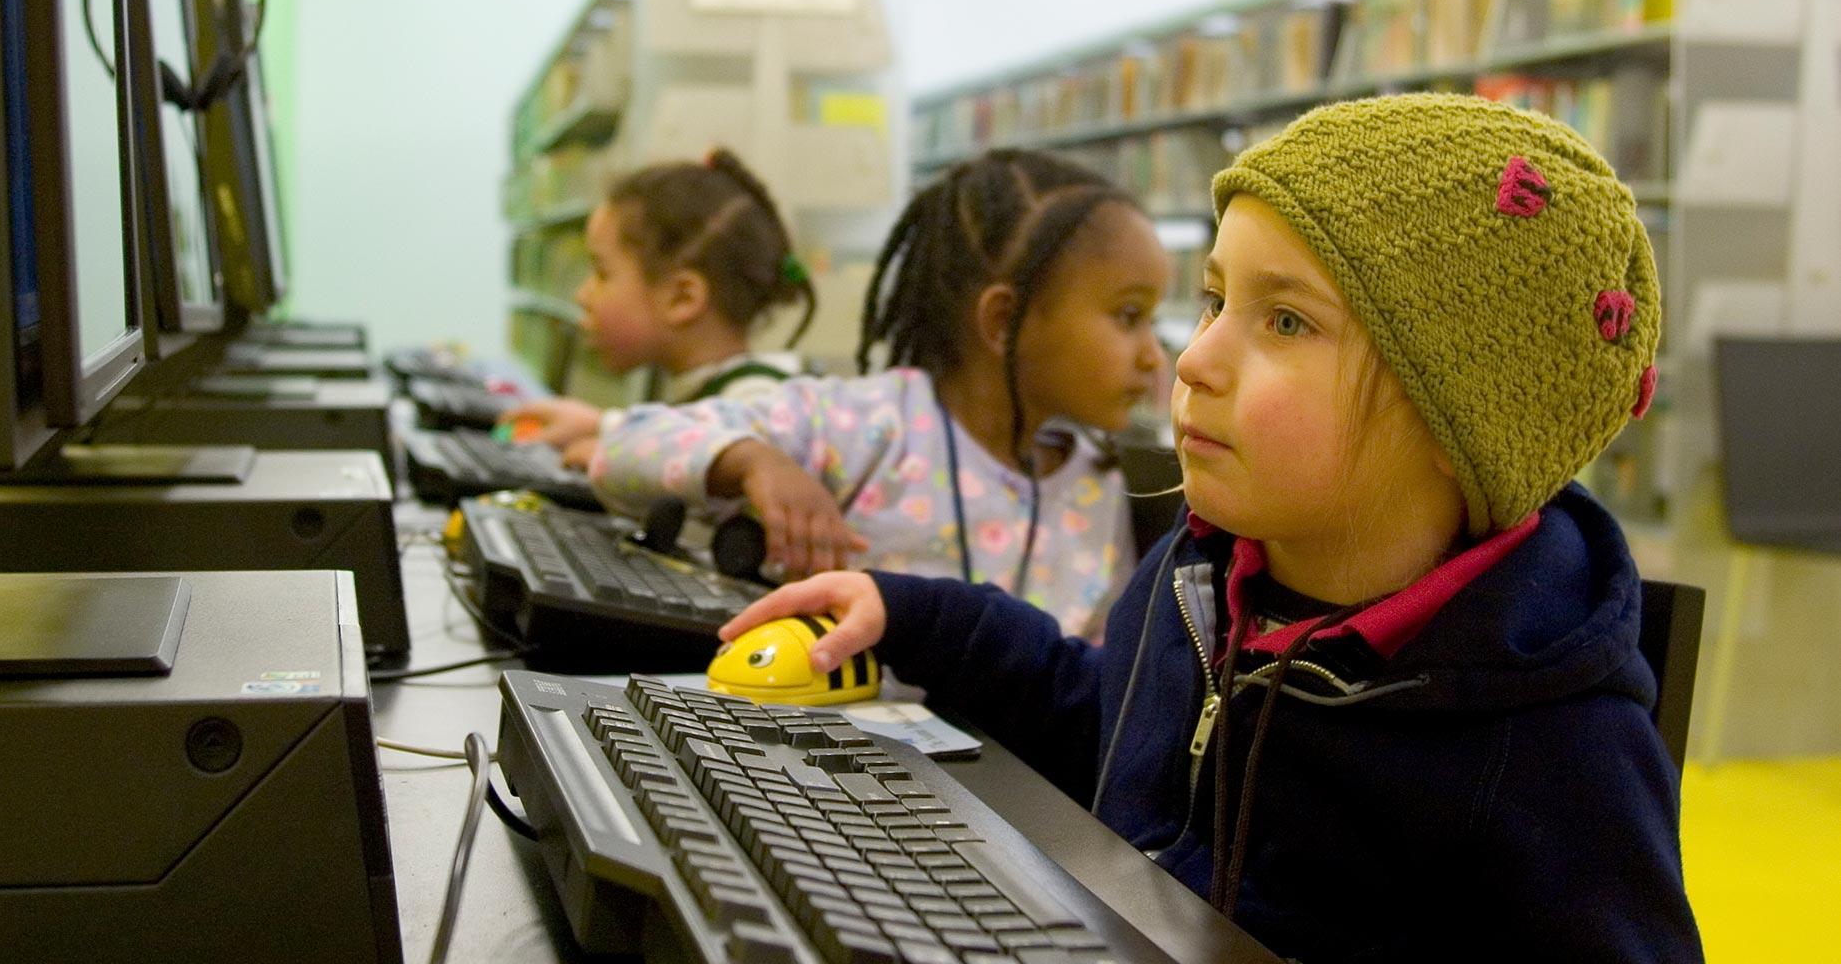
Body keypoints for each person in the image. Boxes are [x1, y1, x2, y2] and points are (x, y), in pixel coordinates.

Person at [720, 95, 1703, 962]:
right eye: (1216, 301)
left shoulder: (1553, 748)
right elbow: (1114, 731)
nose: (1192, 360)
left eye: (1286, 322)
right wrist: (910, 615)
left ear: (1458, 422)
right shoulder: (1199, 574)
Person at [591, 149, 1171, 637]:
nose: (1155, 356)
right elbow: (623, 445)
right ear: (1002, 321)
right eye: (1129, 316)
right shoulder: (864, 424)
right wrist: (750, 460)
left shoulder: (1098, 484)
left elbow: (1100, 671)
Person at [505, 148, 813, 466]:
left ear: (682, 298)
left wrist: (620, 459)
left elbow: (711, 456)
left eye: (602, 273)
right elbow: (686, 436)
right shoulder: (709, 393)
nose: (582, 295)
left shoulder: (758, 407)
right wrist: (600, 425)